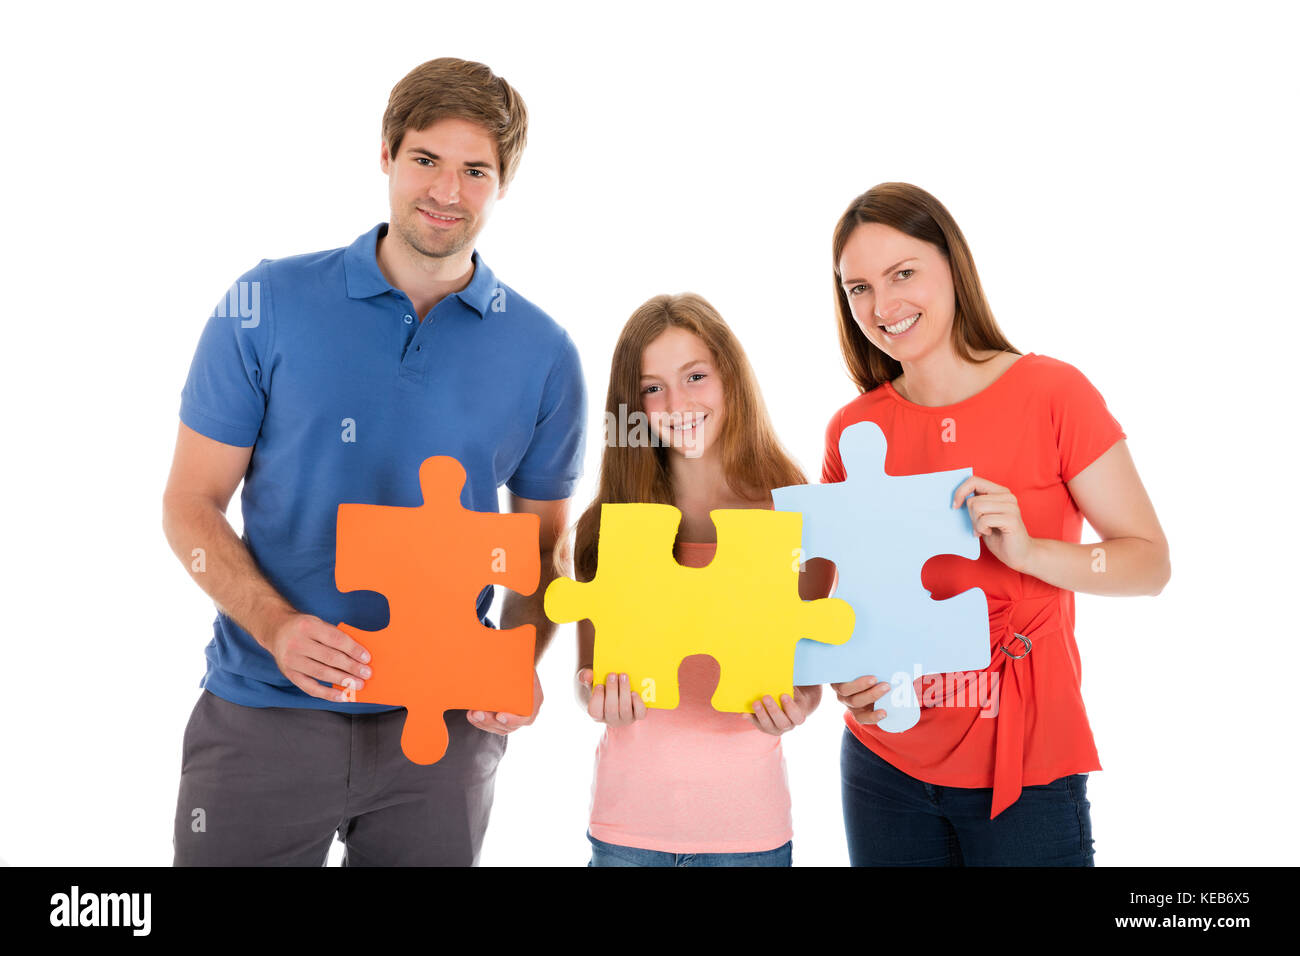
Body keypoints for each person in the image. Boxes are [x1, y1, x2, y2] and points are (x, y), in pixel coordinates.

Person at [163, 58, 586, 866]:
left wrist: (514, 664)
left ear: (503, 185)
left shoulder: (544, 352)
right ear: (386, 154)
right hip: (262, 712)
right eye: (427, 159)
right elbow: (189, 504)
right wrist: (277, 626)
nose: (447, 192)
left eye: (476, 171)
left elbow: (540, 553)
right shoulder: (266, 304)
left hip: (442, 735)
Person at [824, 182, 1169, 866]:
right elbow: (841, 600)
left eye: (902, 274)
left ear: (952, 265)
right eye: (858, 287)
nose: (883, 306)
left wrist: (1032, 552)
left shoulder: (1053, 394)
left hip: (1026, 768)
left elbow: (1148, 564)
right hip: (883, 765)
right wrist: (848, 674)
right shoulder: (854, 429)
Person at [563, 293, 832, 867]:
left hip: (749, 836)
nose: (677, 402)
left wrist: (801, 704)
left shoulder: (793, 516)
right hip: (626, 833)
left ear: (730, 377)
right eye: (652, 387)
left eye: (695, 376)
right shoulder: (606, 524)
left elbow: (807, 672)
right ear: (630, 406)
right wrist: (598, 699)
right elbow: (588, 676)